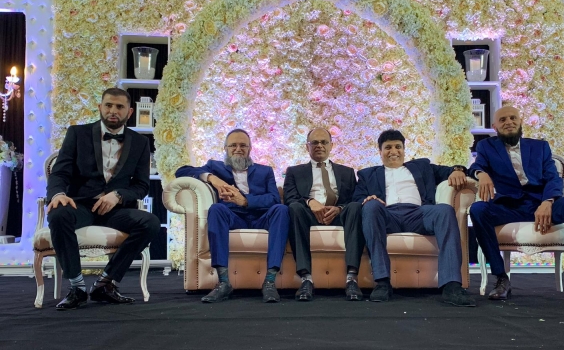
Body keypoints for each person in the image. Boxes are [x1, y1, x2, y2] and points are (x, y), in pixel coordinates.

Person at [468, 106, 564, 304]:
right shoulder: (486, 147)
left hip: (540, 203)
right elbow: (476, 165)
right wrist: (481, 174)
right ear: (495, 126)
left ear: (520, 121)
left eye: (513, 118)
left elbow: (553, 178)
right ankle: (501, 278)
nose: (509, 122)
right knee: (478, 209)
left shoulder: (540, 147)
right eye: (503, 120)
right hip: (509, 207)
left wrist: (547, 202)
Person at [47, 87, 161, 310]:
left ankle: (106, 283)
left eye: (119, 107)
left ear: (129, 112)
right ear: (100, 107)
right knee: (58, 214)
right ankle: (77, 287)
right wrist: (58, 194)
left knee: (151, 223)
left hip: (115, 210)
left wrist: (118, 195)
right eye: (108, 105)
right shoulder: (77, 133)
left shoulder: (140, 142)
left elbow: (141, 186)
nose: (113, 111)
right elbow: (60, 173)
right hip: (80, 204)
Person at [352, 129, 475, 306]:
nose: (393, 151)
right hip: (387, 215)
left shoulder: (421, 166)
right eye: (388, 147)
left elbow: (447, 170)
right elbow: (357, 198)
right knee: (370, 207)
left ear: (404, 149)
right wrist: (367, 199)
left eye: (398, 146)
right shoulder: (367, 174)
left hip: (419, 214)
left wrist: (457, 170)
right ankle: (382, 282)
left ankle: (452, 286)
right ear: (380, 151)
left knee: (445, 210)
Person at [175, 129, 289, 303]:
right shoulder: (215, 167)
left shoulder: (265, 171)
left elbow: (274, 198)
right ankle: (224, 282)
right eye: (233, 145)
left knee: (281, 209)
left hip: (260, 217)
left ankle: (270, 281)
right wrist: (212, 178)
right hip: (232, 217)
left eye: (243, 145)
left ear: (250, 149)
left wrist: (245, 201)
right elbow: (181, 171)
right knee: (216, 209)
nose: (238, 149)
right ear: (225, 148)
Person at [283, 128, 366, 301]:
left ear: (331, 146)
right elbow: (290, 198)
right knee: (294, 208)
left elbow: (355, 198)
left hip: (338, 215)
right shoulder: (294, 172)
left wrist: (340, 208)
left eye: (324, 142)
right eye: (314, 142)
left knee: (355, 208)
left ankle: (351, 278)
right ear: (307, 147)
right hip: (308, 215)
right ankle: (306, 278)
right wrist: (309, 202)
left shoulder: (347, 172)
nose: (319, 146)